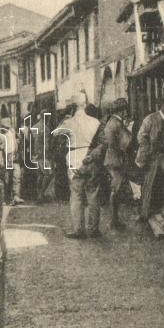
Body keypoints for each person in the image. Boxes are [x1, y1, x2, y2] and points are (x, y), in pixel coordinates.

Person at [57, 93, 102, 239]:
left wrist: (65, 120)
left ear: (73, 107)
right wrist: (94, 154)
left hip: (75, 158)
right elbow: (103, 142)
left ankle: (79, 230)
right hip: (90, 158)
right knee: (93, 194)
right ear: (85, 104)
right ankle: (93, 228)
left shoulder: (69, 123)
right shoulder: (95, 121)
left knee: (76, 195)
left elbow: (56, 134)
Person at [135, 93, 164, 222]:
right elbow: (140, 136)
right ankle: (144, 213)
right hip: (152, 156)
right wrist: (148, 150)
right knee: (149, 183)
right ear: (163, 105)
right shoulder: (151, 118)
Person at [100, 98, 132, 231]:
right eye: (125, 110)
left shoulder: (110, 122)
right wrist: (129, 130)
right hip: (116, 160)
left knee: (115, 189)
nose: (126, 113)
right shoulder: (118, 124)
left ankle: (115, 219)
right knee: (116, 190)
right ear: (122, 110)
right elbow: (125, 144)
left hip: (111, 159)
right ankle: (114, 220)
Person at [0, 117, 23, 205]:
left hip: (14, 157)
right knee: (7, 179)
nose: (7, 128)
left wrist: (18, 142)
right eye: (5, 126)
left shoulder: (12, 132)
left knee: (17, 176)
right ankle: (7, 198)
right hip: (5, 158)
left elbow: (18, 142)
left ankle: (16, 196)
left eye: (8, 126)